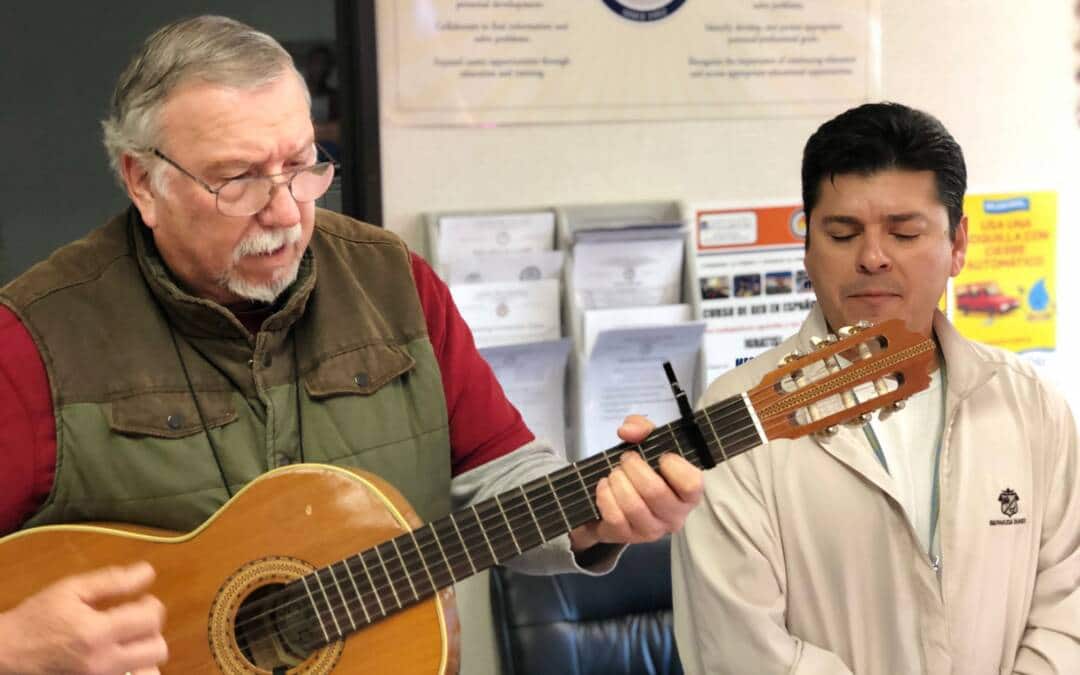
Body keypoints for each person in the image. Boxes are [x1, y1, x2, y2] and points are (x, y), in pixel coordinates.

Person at [0, 16, 703, 673]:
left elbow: (496, 479)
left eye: (304, 166)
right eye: (240, 179)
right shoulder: (35, 340)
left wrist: (595, 521)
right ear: (141, 181)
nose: (283, 210)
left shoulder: (394, 283)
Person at [671, 103, 1079, 673]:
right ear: (807, 245)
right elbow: (740, 648)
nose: (872, 258)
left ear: (958, 243)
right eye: (843, 233)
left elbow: (1068, 611)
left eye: (905, 232)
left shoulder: (1031, 405)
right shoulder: (733, 417)